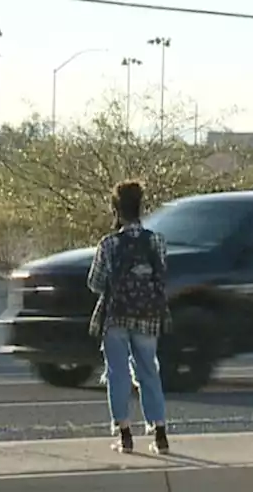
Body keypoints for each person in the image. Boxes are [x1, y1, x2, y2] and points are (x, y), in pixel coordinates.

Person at [87, 180, 170, 455]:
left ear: (116, 210)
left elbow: (95, 283)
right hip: (148, 315)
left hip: (117, 317)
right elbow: (162, 276)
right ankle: (159, 433)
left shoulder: (109, 244)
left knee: (118, 374)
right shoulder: (156, 240)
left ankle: (124, 434)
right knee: (149, 371)